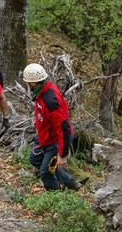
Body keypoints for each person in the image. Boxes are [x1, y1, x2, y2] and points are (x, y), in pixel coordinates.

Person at [23, 63, 81, 191]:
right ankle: (70, 182)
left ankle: (56, 193)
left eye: (28, 83)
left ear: (34, 83)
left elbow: (63, 127)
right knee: (34, 159)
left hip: (55, 140)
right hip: (46, 138)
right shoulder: (41, 93)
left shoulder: (50, 100)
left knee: (45, 172)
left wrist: (62, 154)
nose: (28, 85)